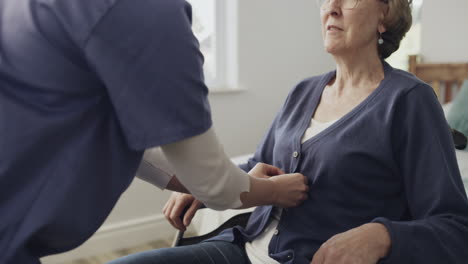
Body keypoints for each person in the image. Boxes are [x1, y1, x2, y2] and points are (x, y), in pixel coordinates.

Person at [107, 0, 468, 263]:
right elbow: (261, 164)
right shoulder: (303, 91)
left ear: (385, 15)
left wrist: (383, 235)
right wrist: (207, 187)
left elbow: (454, 227)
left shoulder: (410, 100)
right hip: (242, 249)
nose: (332, 7)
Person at [0, 0, 310, 263]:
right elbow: (215, 184)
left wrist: (196, 182)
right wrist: (274, 191)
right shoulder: (146, 13)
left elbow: (115, 132)